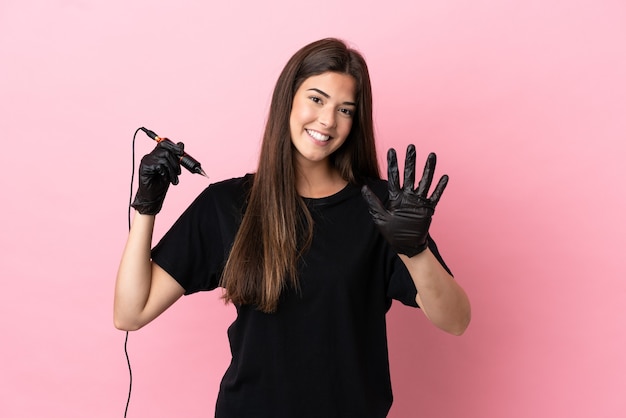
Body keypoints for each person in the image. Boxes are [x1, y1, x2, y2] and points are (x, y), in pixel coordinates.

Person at [114, 37, 471, 418]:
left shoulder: (383, 208)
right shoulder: (227, 205)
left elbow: (456, 320)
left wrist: (414, 251)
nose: (328, 121)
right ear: (289, 98)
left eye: (345, 110)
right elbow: (130, 313)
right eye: (316, 99)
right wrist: (146, 206)